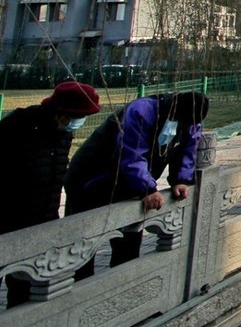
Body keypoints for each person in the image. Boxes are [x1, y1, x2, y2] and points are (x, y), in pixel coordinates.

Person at [65, 90, 210, 271]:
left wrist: (181, 180)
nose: (184, 126)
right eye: (182, 122)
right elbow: (131, 153)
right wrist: (147, 188)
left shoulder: (191, 121)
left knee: (128, 244)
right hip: (92, 178)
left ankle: (122, 286)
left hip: (129, 185)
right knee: (84, 244)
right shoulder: (141, 111)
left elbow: (187, 150)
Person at [0, 81, 101, 306]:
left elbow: (54, 177)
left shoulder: (62, 134)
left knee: (26, 289)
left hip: (41, 222)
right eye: (80, 116)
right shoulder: (18, 127)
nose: (80, 122)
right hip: (8, 219)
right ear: (64, 113)